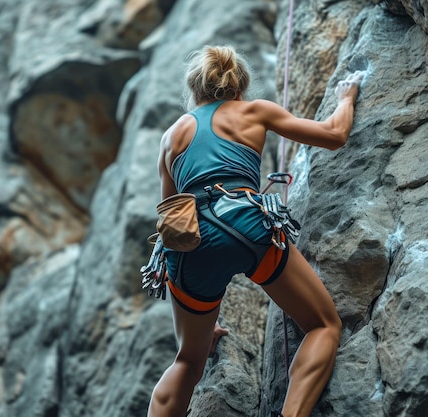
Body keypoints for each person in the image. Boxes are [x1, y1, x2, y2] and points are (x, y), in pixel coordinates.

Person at [148, 45, 364, 417]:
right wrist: (347, 97)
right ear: (239, 88)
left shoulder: (172, 137)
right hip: (246, 226)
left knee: (187, 362)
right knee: (323, 325)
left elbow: (173, 221)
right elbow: (334, 134)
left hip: (190, 245)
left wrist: (202, 321)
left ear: (194, 90)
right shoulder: (254, 110)